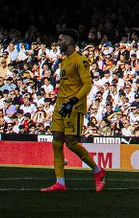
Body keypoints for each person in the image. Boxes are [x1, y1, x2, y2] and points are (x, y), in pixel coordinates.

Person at [41, 28, 106, 193]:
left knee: (71, 142)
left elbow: (87, 84)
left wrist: (73, 101)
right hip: (60, 105)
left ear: (69, 42)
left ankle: (98, 171)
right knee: (56, 140)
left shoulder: (80, 60)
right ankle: (60, 182)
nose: (58, 42)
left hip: (74, 106)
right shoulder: (64, 60)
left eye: (61, 40)